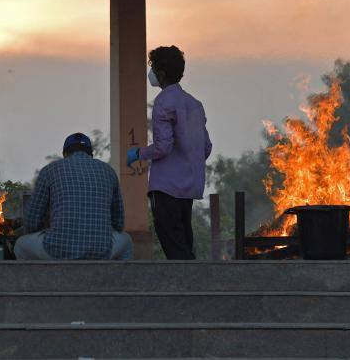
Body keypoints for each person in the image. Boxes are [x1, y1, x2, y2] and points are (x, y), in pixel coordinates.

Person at [127, 45, 212, 260]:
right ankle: (193, 286)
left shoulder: (164, 101)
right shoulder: (195, 104)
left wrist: (139, 153)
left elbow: (163, 146)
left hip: (165, 187)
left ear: (161, 73)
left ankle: (184, 289)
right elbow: (206, 147)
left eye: (153, 67)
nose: (151, 72)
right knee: (184, 242)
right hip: (189, 186)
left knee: (174, 247)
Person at [15, 133, 133, 260]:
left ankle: (45, 278)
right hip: (102, 251)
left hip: (56, 250)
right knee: (127, 241)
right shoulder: (109, 172)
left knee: (20, 246)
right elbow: (119, 224)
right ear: (91, 154)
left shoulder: (50, 170)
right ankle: (114, 279)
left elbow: (32, 223)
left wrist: (48, 227)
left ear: (65, 154)